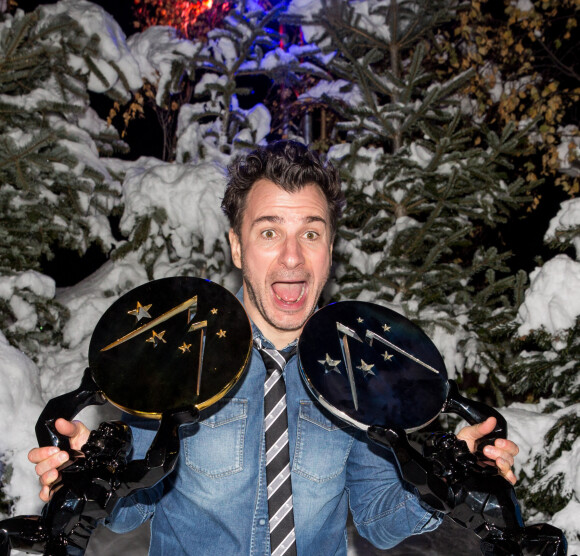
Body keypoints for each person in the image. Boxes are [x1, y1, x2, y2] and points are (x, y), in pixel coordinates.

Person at [29, 140, 519, 555]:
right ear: (237, 246)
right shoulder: (177, 358)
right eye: (269, 232)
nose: (292, 255)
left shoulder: (361, 371)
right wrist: (89, 476)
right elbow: (129, 508)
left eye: (311, 232)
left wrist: (444, 487)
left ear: (330, 248)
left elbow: (376, 517)